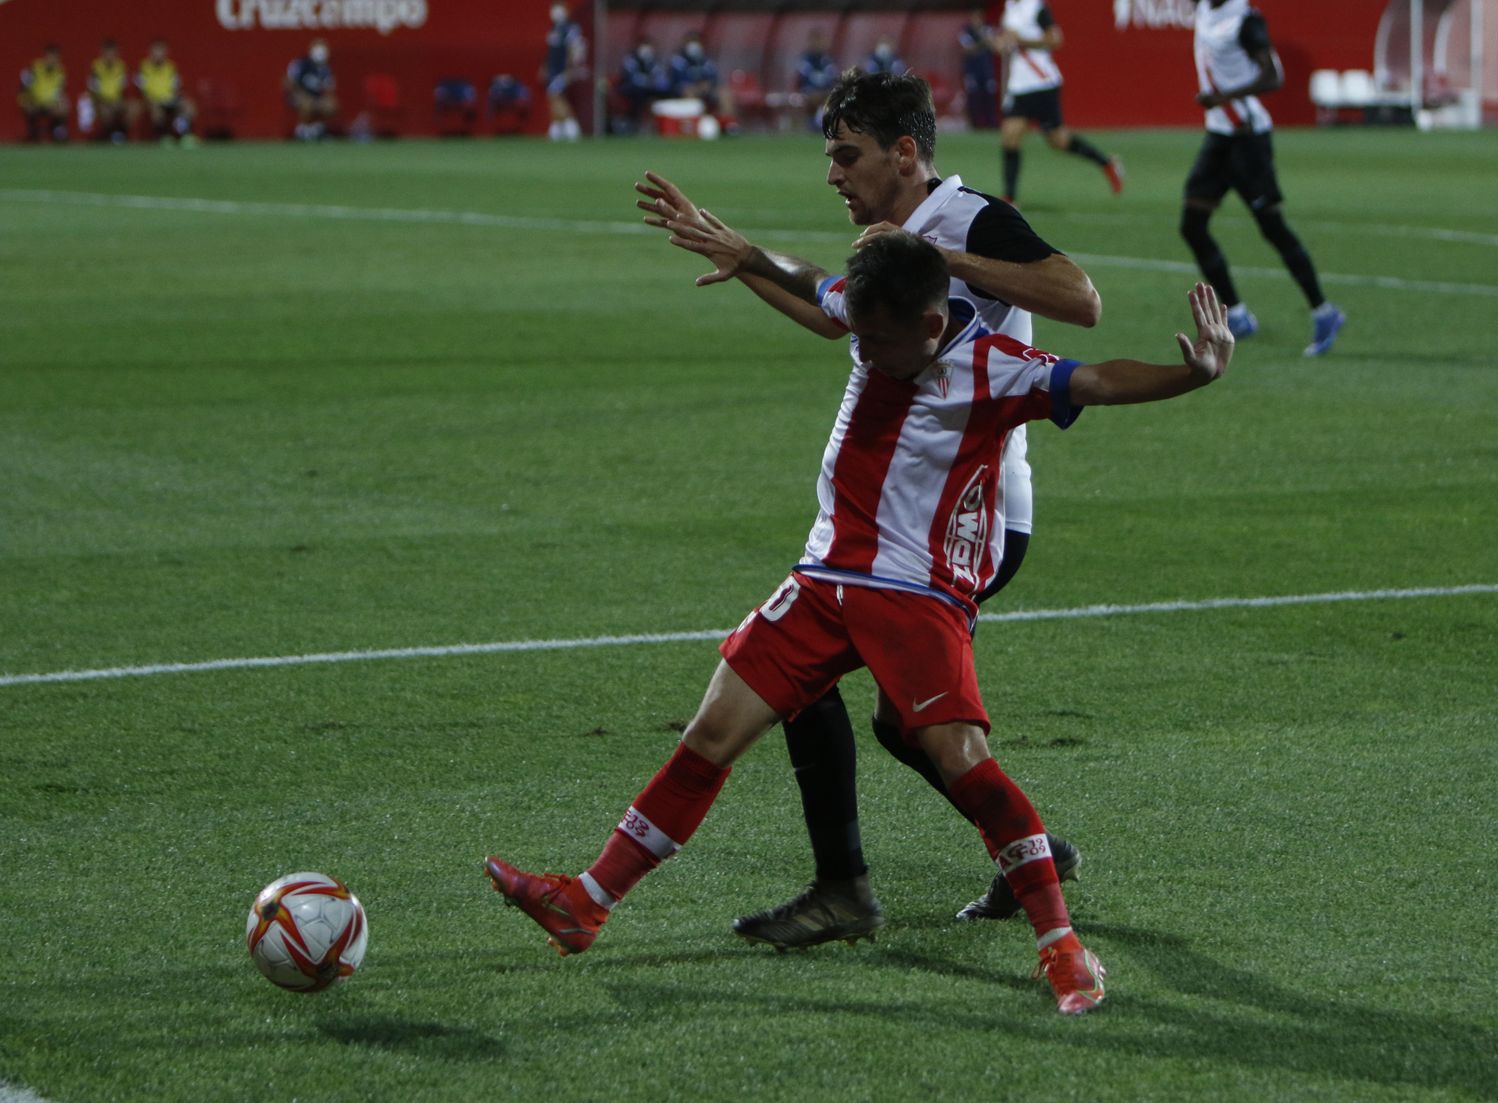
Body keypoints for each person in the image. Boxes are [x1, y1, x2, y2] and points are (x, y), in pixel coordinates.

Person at [486, 225, 1233, 1017]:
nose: (865, 352)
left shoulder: (993, 369)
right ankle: (586, 902)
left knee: (962, 761)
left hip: (916, 595)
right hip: (822, 580)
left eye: (880, 340)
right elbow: (815, 283)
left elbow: (1099, 381)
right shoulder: (874, 316)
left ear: (932, 325)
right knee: (710, 733)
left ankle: (1062, 946)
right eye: (861, 335)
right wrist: (746, 255)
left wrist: (1193, 375)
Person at [634, 69, 1102, 951]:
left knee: (808, 677)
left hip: (969, 520)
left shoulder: (968, 219)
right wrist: (745, 258)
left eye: (847, 156)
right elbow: (834, 318)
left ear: (906, 153)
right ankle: (1016, 854)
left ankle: (849, 889)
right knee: (891, 716)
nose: (833, 175)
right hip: (899, 518)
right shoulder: (893, 236)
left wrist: (942, 261)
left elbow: (1080, 299)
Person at [1183, 0, 1345, 357]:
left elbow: (1274, 76)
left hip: (1247, 138)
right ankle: (1238, 315)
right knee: (1193, 225)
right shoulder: (1206, 9)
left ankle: (1324, 312)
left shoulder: (1244, 21)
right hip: (1220, 135)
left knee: (1271, 227)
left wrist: (1224, 95)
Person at [995, 0, 1123, 202]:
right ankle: (1009, 198)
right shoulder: (1010, 9)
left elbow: (1055, 39)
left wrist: (1022, 41)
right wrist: (1001, 43)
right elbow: (1007, 42)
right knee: (1010, 136)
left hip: (1042, 83)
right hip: (1019, 86)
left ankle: (1106, 163)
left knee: (1058, 140)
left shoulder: (1036, 8)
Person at [669, 30, 736, 133]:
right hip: (686, 90)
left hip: (706, 88)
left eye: (696, 41)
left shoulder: (705, 59)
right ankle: (698, 126)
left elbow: (713, 76)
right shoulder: (678, 60)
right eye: (690, 42)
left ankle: (727, 125)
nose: (694, 45)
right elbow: (677, 79)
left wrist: (707, 84)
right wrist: (695, 86)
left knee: (724, 93)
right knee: (689, 92)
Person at [136, 39, 197, 145]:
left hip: (170, 99)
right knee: (156, 108)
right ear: (150, 52)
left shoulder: (171, 67)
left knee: (188, 106)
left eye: (161, 51)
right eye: (156, 50)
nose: (158, 54)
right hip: (153, 100)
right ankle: (163, 136)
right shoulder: (144, 67)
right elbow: (142, 89)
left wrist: (177, 97)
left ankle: (184, 135)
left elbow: (176, 87)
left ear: (166, 52)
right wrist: (152, 99)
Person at [542, 2, 586, 141]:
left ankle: (571, 127)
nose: (555, 12)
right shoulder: (554, 27)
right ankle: (558, 127)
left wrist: (570, 69)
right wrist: (545, 67)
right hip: (553, 68)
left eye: (558, 9)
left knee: (556, 95)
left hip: (563, 69)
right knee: (554, 96)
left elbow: (574, 48)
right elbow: (551, 51)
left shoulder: (571, 28)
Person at [284, 38, 337, 141]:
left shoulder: (325, 68)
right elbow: (288, 82)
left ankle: (317, 129)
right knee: (306, 104)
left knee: (330, 105)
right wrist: (300, 95)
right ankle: (302, 130)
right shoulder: (301, 64)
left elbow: (328, 88)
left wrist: (327, 99)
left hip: (316, 97)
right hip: (298, 95)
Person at [17, 44, 69, 144]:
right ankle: (32, 134)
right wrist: (29, 100)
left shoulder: (60, 71)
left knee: (63, 107)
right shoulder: (34, 69)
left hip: (50, 104)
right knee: (28, 106)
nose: (53, 60)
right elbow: (23, 88)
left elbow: (59, 92)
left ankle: (57, 134)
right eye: (51, 57)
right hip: (34, 101)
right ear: (45, 56)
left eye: (55, 57)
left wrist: (58, 102)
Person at [617, 37, 668, 135]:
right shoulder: (631, 59)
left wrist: (652, 82)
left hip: (650, 89)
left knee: (665, 93)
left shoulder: (654, 60)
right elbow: (631, 77)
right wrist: (648, 81)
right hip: (631, 88)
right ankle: (635, 124)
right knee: (638, 94)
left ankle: (660, 125)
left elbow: (660, 77)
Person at [960, 8, 1000, 131]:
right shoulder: (966, 31)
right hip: (972, 69)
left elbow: (995, 46)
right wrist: (983, 42)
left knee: (989, 95)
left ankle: (991, 122)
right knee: (974, 96)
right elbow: (968, 50)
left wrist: (986, 41)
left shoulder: (987, 29)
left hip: (986, 69)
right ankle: (975, 123)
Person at [87, 38, 134, 143]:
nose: (110, 55)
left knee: (132, 108)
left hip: (116, 100)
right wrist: (104, 103)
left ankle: (121, 134)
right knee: (106, 112)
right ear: (103, 53)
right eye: (108, 52)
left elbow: (122, 89)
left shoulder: (120, 66)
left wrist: (117, 102)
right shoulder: (96, 67)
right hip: (101, 102)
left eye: (113, 52)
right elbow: (93, 91)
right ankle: (108, 136)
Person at [794, 30, 839, 130]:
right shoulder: (805, 58)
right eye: (817, 40)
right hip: (809, 90)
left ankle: (822, 122)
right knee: (815, 96)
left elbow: (832, 75)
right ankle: (814, 123)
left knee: (831, 96)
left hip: (825, 90)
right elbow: (805, 77)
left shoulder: (827, 58)